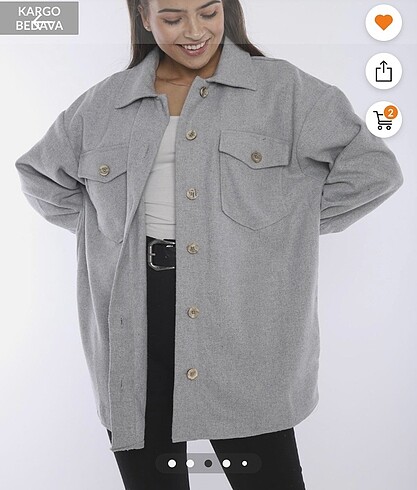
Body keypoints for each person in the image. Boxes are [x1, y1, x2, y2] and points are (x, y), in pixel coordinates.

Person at [15, 0, 404, 488]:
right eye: (172, 18)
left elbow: (373, 170)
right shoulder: (103, 104)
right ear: (144, 17)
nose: (194, 31)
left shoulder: (283, 91)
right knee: (151, 477)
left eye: (208, 12)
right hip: (135, 313)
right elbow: (40, 175)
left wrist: (278, 229)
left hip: (240, 313)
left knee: (268, 475)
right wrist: (110, 232)